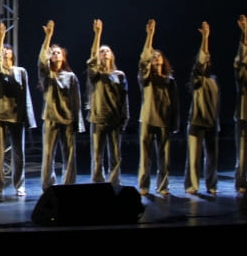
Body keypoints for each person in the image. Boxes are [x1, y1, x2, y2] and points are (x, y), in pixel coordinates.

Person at [0, 21, 36, 198]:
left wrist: (28, 117)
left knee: (18, 154)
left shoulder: (20, 71)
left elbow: (26, 94)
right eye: (4, 50)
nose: (6, 51)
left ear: (13, 54)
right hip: (0, 115)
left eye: (8, 49)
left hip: (17, 116)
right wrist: (0, 41)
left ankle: (19, 186)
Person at [38, 20, 84, 191]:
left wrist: (77, 123)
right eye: (53, 53)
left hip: (67, 119)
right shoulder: (46, 75)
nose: (55, 54)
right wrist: (48, 37)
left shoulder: (71, 77)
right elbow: (41, 62)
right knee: (48, 154)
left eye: (58, 52)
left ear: (63, 57)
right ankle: (47, 186)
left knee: (69, 155)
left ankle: (69, 185)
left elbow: (76, 101)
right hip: (50, 118)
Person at [137, 18, 179, 197]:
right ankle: (144, 186)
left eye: (158, 56)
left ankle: (163, 186)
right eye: (153, 57)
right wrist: (150, 35)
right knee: (145, 156)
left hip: (164, 120)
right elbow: (143, 61)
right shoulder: (146, 78)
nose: (156, 58)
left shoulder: (169, 80)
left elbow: (175, 104)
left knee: (164, 157)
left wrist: (174, 123)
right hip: (148, 118)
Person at [85, 18, 129, 186]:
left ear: (112, 55)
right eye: (101, 51)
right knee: (97, 155)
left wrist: (125, 118)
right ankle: (98, 182)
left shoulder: (120, 75)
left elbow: (124, 99)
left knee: (116, 155)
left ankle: (114, 183)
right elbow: (92, 62)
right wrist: (98, 34)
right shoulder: (95, 74)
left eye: (107, 51)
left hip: (115, 119)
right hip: (98, 118)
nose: (104, 53)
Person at [185, 20, 219, 195]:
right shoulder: (197, 78)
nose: (206, 61)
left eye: (208, 60)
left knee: (212, 158)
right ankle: (192, 185)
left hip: (211, 122)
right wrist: (205, 38)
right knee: (194, 158)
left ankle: (211, 185)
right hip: (196, 121)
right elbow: (200, 62)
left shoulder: (213, 81)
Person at [233, 14, 247, 194]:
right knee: (243, 153)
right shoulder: (242, 75)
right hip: (245, 116)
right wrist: (244, 32)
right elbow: (240, 58)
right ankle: (241, 182)